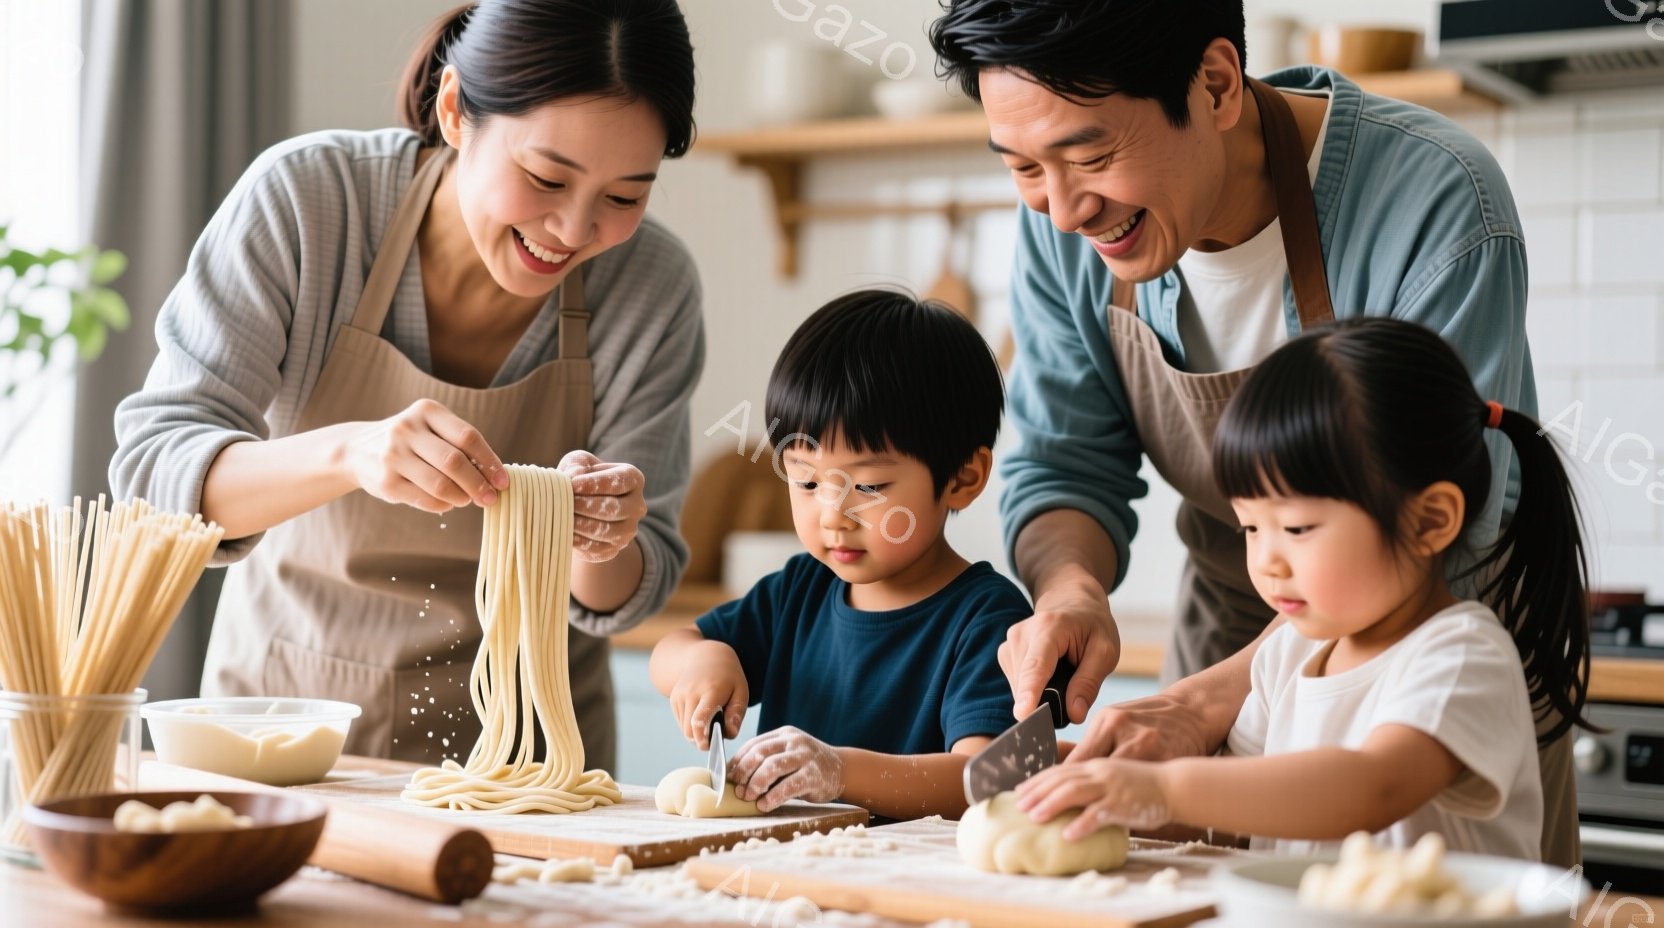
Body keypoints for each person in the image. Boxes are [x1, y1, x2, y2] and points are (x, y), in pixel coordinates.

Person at [926, 2, 1578, 866]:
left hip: (1413, 628)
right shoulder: (1061, 225)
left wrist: (1199, 720)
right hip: (1238, 633)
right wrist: (1071, 593)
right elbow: (1063, 463)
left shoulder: (1434, 196)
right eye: (1022, 168)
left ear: (1217, 83)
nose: (1063, 209)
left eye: (1090, 155)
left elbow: (1377, 771)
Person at [109, 0, 703, 770]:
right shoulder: (311, 202)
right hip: (282, 733)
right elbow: (154, 479)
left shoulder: (651, 284)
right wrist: (350, 455)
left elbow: (628, 584)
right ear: (455, 110)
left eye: (624, 196)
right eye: (545, 177)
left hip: (529, 761)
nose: (572, 230)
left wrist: (599, 532)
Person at [1017, 317, 1594, 860]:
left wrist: (1165, 786)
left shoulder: (1462, 656)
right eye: (1250, 527)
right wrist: (1093, 787)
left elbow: (1371, 787)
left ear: (1429, 520)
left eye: (1296, 528)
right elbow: (1237, 809)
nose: (1266, 560)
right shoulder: (1287, 653)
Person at [649, 290, 1030, 820]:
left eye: (869, 487)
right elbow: (670, 649)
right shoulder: (799, 590)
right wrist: (703, 659)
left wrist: (840, 772)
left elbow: (983, 779)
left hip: (915, 887)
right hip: (792, 874)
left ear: (963, 478)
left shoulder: (988, 618)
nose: (832, 515)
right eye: (806, 480)